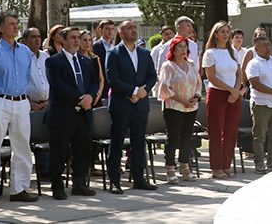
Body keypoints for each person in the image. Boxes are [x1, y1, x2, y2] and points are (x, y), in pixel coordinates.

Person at [0, 13, 38, 207]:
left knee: (22, 147)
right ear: (0, 28)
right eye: (11, 24)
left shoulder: (25, 52)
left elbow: (27, 77)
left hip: (21, 102)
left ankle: (19, 189)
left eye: (16, 23)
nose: (15, 27)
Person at [43, 27, 99, 200]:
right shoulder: (53, 61)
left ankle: (79, 184)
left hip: (84, 114)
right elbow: (58, 86)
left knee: (82, 150)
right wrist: (80, 99)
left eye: (78, 38)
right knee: (59, 152)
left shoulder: (86, 61)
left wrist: (90, 96)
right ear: (63, 40)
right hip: (62, 114)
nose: (76, 41)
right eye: (73, 37)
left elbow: (94, 82)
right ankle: (57, 186)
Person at [106, 20, 159, 190]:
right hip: (122, 105)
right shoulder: (114, 53)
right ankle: (115, 181)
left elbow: (152, 76)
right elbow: (113, 79)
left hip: (140, 106)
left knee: (138, 142)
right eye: (129, 28)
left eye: (135, 27)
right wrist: (134, 91)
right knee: (117, 143)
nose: (133, 30)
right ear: (120, 32)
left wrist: (144, 91)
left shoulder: (144, 53)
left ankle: (139, 178)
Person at [201, 21, 243, 179]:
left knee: (231, 131)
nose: (226, 34)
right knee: (216, 131)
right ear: (216, 34)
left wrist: (236, 90)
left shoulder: (233, 52)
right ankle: (216, 167)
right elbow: (211, 77)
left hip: (234, 95)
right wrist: (230, 89)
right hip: (217, 93)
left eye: (227, 31)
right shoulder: (210, 53)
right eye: (222, 31)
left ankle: (226, 164)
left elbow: (239, 74)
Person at [157, 36, 201, 183]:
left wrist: (196, 97)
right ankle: (170, 168)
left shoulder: (192, 64)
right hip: (174, 107)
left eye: (185, 46)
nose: (183, 49)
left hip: (191, 107)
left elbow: (198, 83)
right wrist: (182, 101)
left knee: (187, 138)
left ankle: (185, 167)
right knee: (173, 138)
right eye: (180, 47)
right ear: (173, 50)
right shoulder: (168, 66)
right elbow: (164, 87)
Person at [245, 34, 272, 173]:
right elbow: (255, 83)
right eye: (264, 45)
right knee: (259, 135)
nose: (268, 48)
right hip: (261, 104)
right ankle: (259, 162)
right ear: (256, 47)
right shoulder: (253, 63)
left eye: (269, 45)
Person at [21, 27, 50, 112]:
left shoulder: (45, 56)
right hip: (28, 106)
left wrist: (49, 100)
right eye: (33, 37)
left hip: (47, 105)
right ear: (25, 40)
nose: (37, 40)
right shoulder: (21, 58)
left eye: (39, 37)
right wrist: (29, 102)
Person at [77, 30, 106, 106]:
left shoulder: (95, 58)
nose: (87, 43)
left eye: (90, 40)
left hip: (95, 95)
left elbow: (101, 79)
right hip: (81, 96)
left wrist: (99, 92)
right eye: (84, 40)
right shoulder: (75, 58)